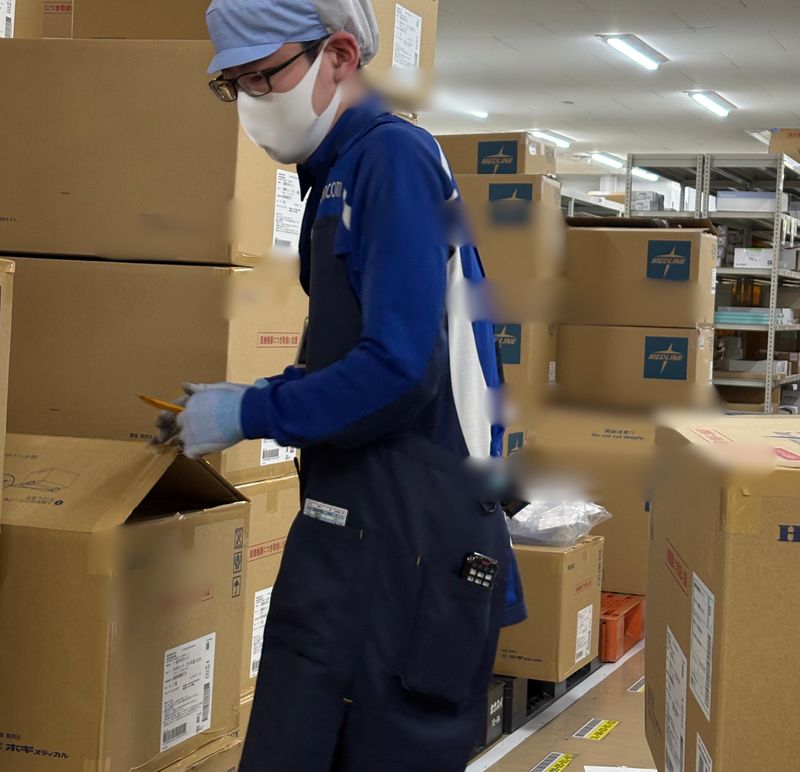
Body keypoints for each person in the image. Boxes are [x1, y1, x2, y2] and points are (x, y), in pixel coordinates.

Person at [156, 1, 526, 769]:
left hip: (414, 542)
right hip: (355, 527)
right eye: (236, 85)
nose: (254, 100)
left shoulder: (392, 160)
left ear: (341, 55)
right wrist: (259, 394)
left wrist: (254, 410)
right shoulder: (335, 177)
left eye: (265, 76)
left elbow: (398, 371)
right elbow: (353, 351)